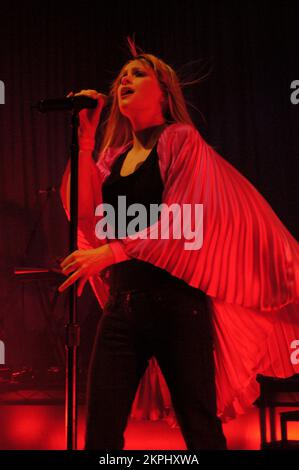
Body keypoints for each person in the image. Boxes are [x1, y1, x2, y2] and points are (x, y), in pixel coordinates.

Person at [59, 41, 299, 450]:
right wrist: (85, 141)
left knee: (199, 427)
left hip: (177, 306)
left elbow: (182, 220)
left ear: (164, 93)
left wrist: (112, 253)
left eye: (137, 73)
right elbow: (84, 213)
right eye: (121, 77)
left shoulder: (180, 140)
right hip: (122, 307)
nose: (124, 81)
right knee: (100, 432)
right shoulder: (113, 157)